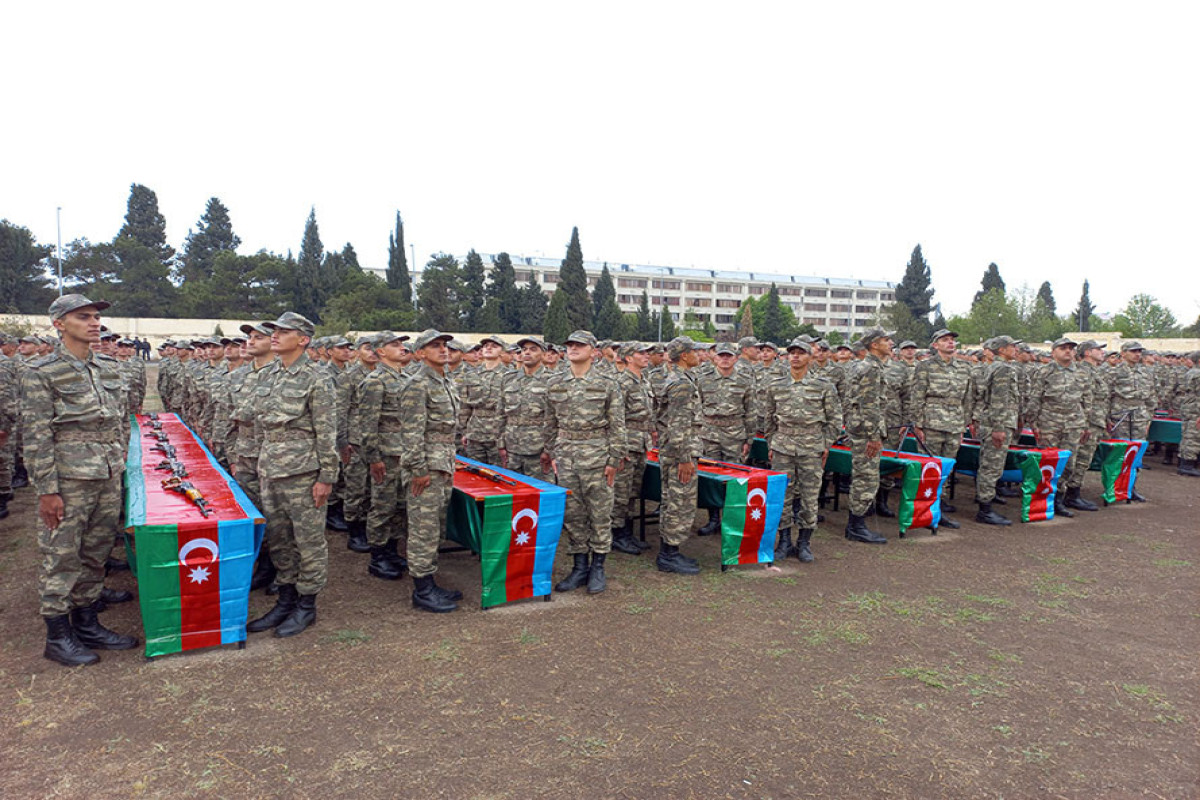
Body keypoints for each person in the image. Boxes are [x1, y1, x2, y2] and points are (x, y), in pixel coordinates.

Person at [23, 294, 139, 666]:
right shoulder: (42, 372)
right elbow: (37, 435)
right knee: (61, 556)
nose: (94, 323)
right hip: (69, 480)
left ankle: (87, 623)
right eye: (82, 317)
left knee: (96, 552)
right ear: (59, 324)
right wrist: (47, 491)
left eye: (95, 317)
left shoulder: (107, 366)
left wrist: (119, 454)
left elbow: (119, 419)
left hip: (106, 475)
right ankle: (58, 636)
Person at [246, 312, 338, 638]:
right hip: (271, 468)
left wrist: (326, 477)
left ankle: (306, 605)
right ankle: (285, 600)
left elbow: (327, 432)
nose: (275, 335)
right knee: (279, 538)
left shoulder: (317, 377)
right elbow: (261, 424)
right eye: (274, 331)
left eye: (284, 332)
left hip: (303, 472)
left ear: (303, 339)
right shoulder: (267, 374)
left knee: (308, 541)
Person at [544, 330, 626, 593]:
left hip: (597, 456)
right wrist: (552, 453)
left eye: (579, 345)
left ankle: (598, 566)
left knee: (600, 512)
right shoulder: (556, 382)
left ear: (594, 351)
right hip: (566, 456)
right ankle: (580, 566)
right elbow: (549, 422)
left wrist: (613, 459)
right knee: (573, 513)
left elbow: (617, 425)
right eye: (569, 345)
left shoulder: (607, 382)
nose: (573, 349)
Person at [399, 330, 463, 612]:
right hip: (426, 466)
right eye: (434, 346)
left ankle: (430, 582)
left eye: (444, 345)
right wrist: (418, 469)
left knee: (434, 526)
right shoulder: (417, 384)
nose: (443, 350)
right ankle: (422, 591)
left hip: (443, 463)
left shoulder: (445, 381)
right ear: (420, 353)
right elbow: (411, 433)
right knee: (423, 528)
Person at [764, 339, 842, 562]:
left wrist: (825, 444)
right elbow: (769, 418)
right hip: (783, 447)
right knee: (783, 496)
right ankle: (784, 540)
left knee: (809, 496)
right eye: (792, 353)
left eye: (801, 353)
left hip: (811, 448)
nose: (795, 357)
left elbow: (835, 419)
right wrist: (772, 443)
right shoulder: (776, 385)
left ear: (810, 357)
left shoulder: (823, 385)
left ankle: (804, 542)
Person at [359, 332, 412, 581]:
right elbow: (368, 424)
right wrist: (373, 458)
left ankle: (392, 549)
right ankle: (378, 555)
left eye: (402, 344)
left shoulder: (407, 378)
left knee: (400, 504)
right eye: (395, 345)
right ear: (381, 351)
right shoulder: (375, 381)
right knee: (382, 505)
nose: (402, 348)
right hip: (386, 455)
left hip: (405, 453)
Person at [911, 329, 974, 529]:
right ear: (935, 345)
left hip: (954, 423)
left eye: (952, 340)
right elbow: (917, 395)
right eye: (945, 340)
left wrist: (964, 423)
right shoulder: (925, 366)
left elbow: (968, 397)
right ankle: (922, 512)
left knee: (947, 469)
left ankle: (938, 510)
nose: (950, 343)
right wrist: (918, 424)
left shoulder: (964, 367)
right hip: (932, 423)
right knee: (929, 468)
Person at [693, 341, 756, 536]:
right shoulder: (703, 380)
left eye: (729, 356)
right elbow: (696, 407)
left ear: (736, 358)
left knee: (734, 479)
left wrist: (749, 439)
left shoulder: (745, 381)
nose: (725, 359)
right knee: (711, 478)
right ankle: (713, 519)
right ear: (715, 357)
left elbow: (751, 411)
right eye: (721, 355)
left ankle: (731, 520)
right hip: (709, 433)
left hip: (734, 435)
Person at [653, 336, 704, 574]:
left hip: (678, 449)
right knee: (678, 501)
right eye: (694, 350)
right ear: (684, 355)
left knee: (675, 499)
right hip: (679, 452)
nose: (698, 354)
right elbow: (678, 424)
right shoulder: (681, 383)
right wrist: (684, 457)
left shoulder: (682, 378)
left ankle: (671, 551)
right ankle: (668, 555)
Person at [1027, 338, 1092, 518]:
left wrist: (1085, 424)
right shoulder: (1044, 372)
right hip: (1049, 422)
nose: (1068, 352)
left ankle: (1058, 500)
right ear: (1053, 352)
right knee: (1048, 462)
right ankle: (1041, 500)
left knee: (1068, 463)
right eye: (1063, 348)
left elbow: (1087, 399)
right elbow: (1034, 398)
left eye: (1071, 349)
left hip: (1073, 422)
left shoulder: (1081, 373)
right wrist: (1034, 424)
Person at [843, 327, 894, 544]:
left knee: (866, 476)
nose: (891, 343)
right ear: (874, 344)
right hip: (866, 432)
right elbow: (869, 405)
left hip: (863, 429)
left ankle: (857, 523)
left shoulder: (872, 366)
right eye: (886, 339)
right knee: (866, 478)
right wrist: (874, 436)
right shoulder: (870, 369)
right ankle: (856, 526)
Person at [610, 341, 656, 555]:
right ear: (628, 358)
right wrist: (618, 449)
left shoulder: (643, 381)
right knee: (620, 492)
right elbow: (615, 419)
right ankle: (616, 534)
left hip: (641, 443)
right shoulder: (622, 383)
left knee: (632, 491)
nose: (646, 356)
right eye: (641, 353)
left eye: (647, 353)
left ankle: (627, 532)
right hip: (626, 443)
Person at [973, 336, 1022, 525]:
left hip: (993, 421)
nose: (1015, 349)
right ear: (1001, 350)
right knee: (991, 467)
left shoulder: (995, 366)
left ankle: (985, 502)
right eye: (1012, 346)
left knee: (990, 465)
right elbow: (999, 399)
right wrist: (999, 427)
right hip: (997, 423)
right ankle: (985, 509)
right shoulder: (1004, 368)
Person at [496, 337, 553, 479]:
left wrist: (549, 450)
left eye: (533, 349)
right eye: (524, 349)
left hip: (539, 449)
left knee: (539, 493)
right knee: (513, 492)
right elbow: (501, 413)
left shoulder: (552, 380)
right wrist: (500, 444)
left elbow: (556, 418)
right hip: (512, 447)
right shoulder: (508, 379)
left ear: (543, 354)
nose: (527, 353)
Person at [1176, 351, 1200, 477]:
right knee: (1193, 437)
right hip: (1195, 409)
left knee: (1187, 435)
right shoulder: (1198, 374)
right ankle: (1187, 466)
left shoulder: (1191, 372)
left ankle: (1183, 461)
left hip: (1190, 408)